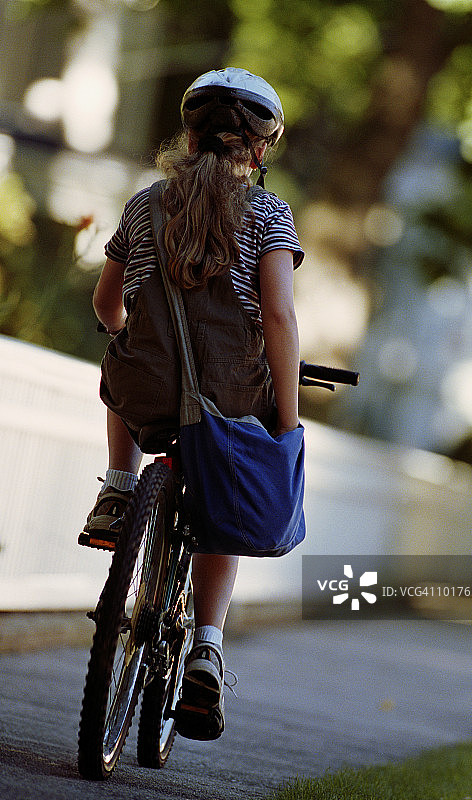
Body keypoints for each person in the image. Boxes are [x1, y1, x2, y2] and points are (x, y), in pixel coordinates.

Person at [80, 68, 304, 740]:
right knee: (221, 498)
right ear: (260, 148)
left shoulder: (146, 204)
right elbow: (278, 319)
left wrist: (135, 339)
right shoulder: (268, 214)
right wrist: (286, 420)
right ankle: (207, 643)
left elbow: (104, 304)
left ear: (188, 131)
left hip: (146, 386)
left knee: (121, 358)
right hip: (230, 395)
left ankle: (120, 487)